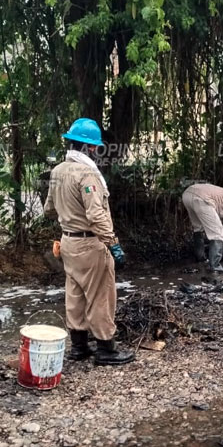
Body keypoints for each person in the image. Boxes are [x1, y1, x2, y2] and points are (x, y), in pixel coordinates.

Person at [42, 118, 135, 365]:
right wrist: (113, 244)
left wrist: (69, 216)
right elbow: (96, 216)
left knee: (75, 294)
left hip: (68, 243)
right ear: (87, 147)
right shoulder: (88, 174)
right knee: (101, 295)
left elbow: (49, 210)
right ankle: (106, 349)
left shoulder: (58, 171)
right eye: (94, 147)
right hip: (91, 244)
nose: (96, 151)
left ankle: (79, 347)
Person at [181, 183, 223, 274]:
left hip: (187, 194)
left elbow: (213, 220)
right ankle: (215, 266)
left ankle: (200, 258)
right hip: (202, 198)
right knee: (218, 234)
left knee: (198, 228)